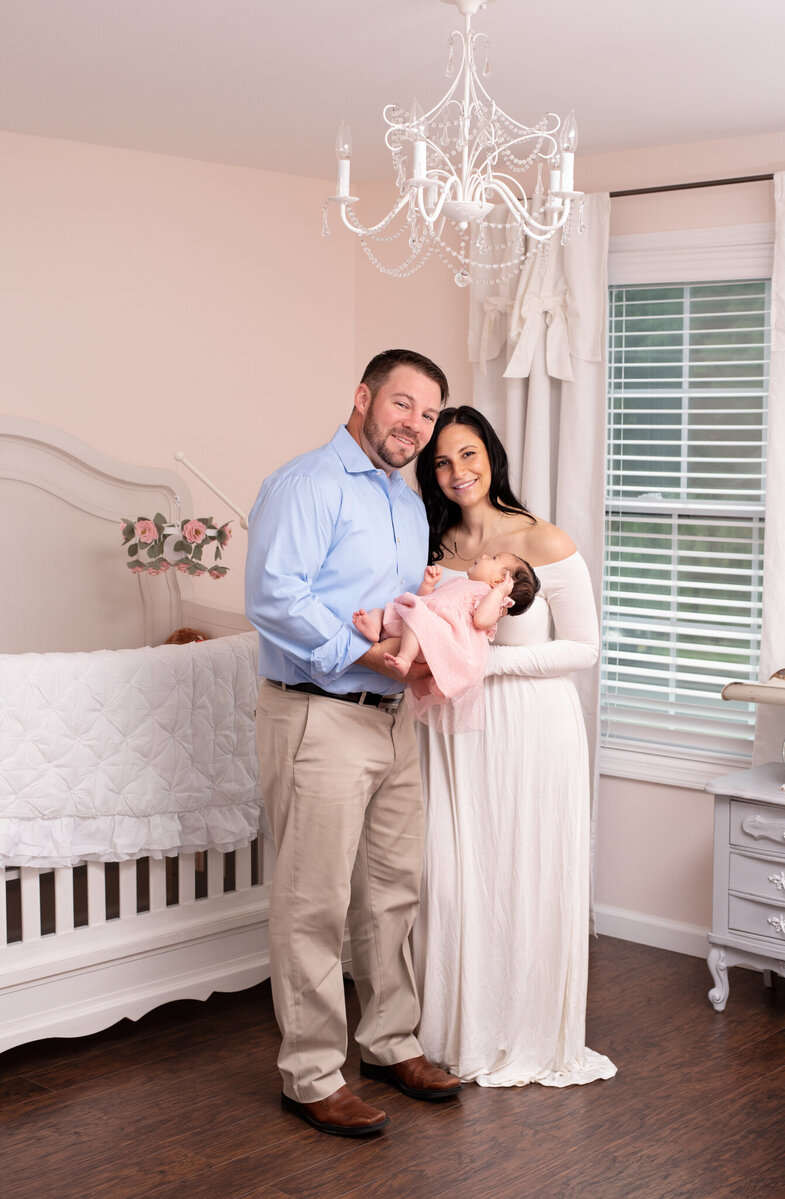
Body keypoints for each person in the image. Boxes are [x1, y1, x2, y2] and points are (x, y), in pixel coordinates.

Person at [244, 349, 463, 1139]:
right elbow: (274, 596)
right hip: (319, 714)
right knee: (314, 901)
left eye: (430, 413)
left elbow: (400, 609)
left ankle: (390, 1041)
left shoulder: (406, 504)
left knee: (392, 889)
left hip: (394, 716)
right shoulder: (308, 483)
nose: (415, 424)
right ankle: (309, 1073)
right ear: (365, 397)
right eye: (403, 404)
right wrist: (366, 653)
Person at [411, 404, 617, 1088]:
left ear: (491, 455)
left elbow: (584, 647)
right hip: (451, 731)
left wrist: (484, 666)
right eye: (441, 461)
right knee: (455, 876)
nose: (456, 471)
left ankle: (525, 1030)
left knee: (523, 873)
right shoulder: (434, 547)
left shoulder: (544, 540)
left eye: (467, 454)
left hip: (532, 727)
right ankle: (457, 1029)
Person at [353, 553, 538, 732]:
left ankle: (405, 658)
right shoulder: (460, 583)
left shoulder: (491, 599)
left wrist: (498, 593)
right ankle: (373, 629)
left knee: (418, 617)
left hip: (435, 640)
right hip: (411, 624)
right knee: (385, 610)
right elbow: (424, 601)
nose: (484, 556)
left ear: (499, 581)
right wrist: (427, 585)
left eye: (494, 558)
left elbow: (481, 621)